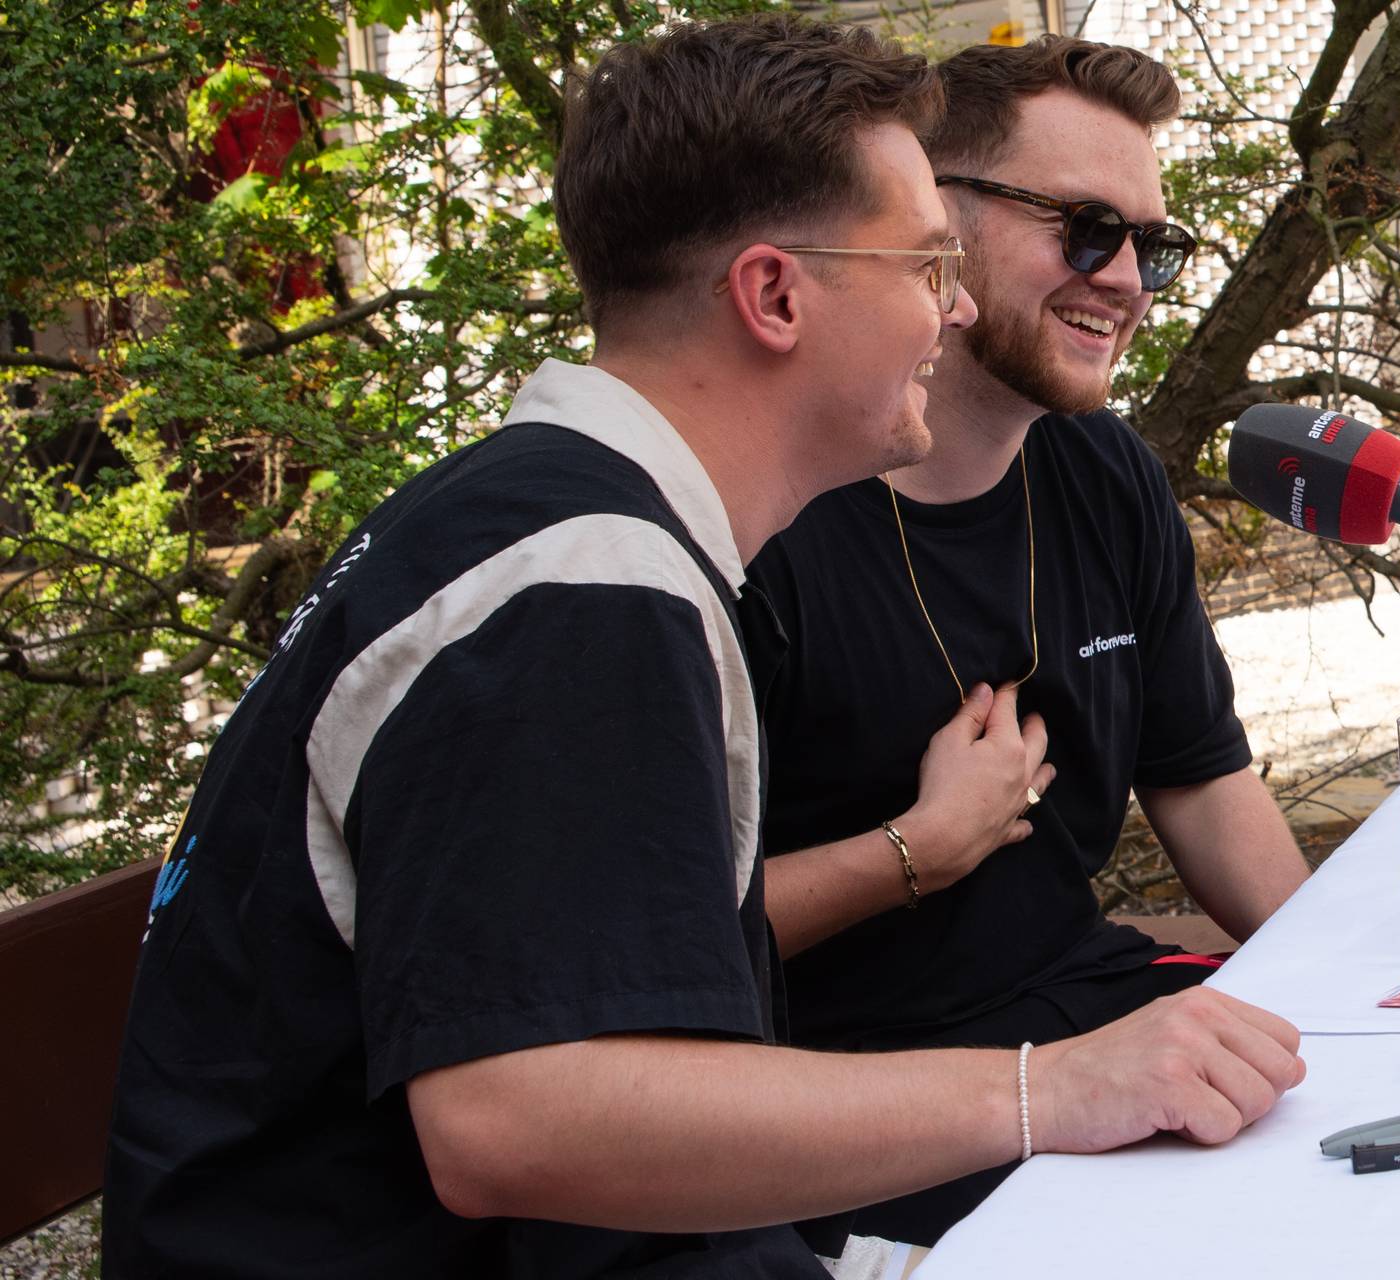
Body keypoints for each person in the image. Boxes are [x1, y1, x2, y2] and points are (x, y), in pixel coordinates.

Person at [102, 16, 1301, 1276]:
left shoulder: (574, 531)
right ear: (774, 294)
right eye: (922, 265)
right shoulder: (580, 584)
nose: (950, 308)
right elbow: (513, 1119)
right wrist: (1048, 1088)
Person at [747, 34, 1310, 1240]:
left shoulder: (1105, 471)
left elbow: (1203, 779)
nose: (1130, 282)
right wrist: (914, 849)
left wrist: (1362, 985)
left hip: (1087, 1012)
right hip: (857, 1100)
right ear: (933, 222)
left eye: (1153, 246)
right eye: (1087, 230)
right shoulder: (766, 520)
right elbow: (665, 934)